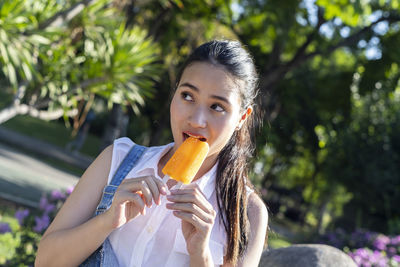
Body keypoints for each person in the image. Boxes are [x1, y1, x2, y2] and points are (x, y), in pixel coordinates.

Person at [35, 40, 268, 267]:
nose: (196, 120)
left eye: (217, 107)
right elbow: (45, 262)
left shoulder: (247, 212)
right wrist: (108, 221)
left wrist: (201, 255)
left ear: (241, 118)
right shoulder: (116, 159)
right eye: (187, 96)